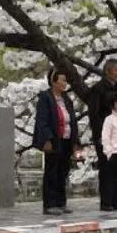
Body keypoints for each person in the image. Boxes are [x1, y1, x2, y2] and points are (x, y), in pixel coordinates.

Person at [33, 69, 81, 216]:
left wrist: (75, 141)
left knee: (63, 171)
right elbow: (42, 120)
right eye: (62, 80)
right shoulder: (46, 98)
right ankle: (49, 204)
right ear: (53, 81)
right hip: (54, 139)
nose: (65, 83)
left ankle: (61, 202)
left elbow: (72, 120)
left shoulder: (67, 99)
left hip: (66, 138)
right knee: (52, 171)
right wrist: (46, 139)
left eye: (65, 81)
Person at [88, 59, 117, 210]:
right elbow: (94, 114)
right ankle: (106, 201)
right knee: (106, 168)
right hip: (105, 133)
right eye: (116, 70)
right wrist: (100, 135)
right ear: (108, 71)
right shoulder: (98, 89)